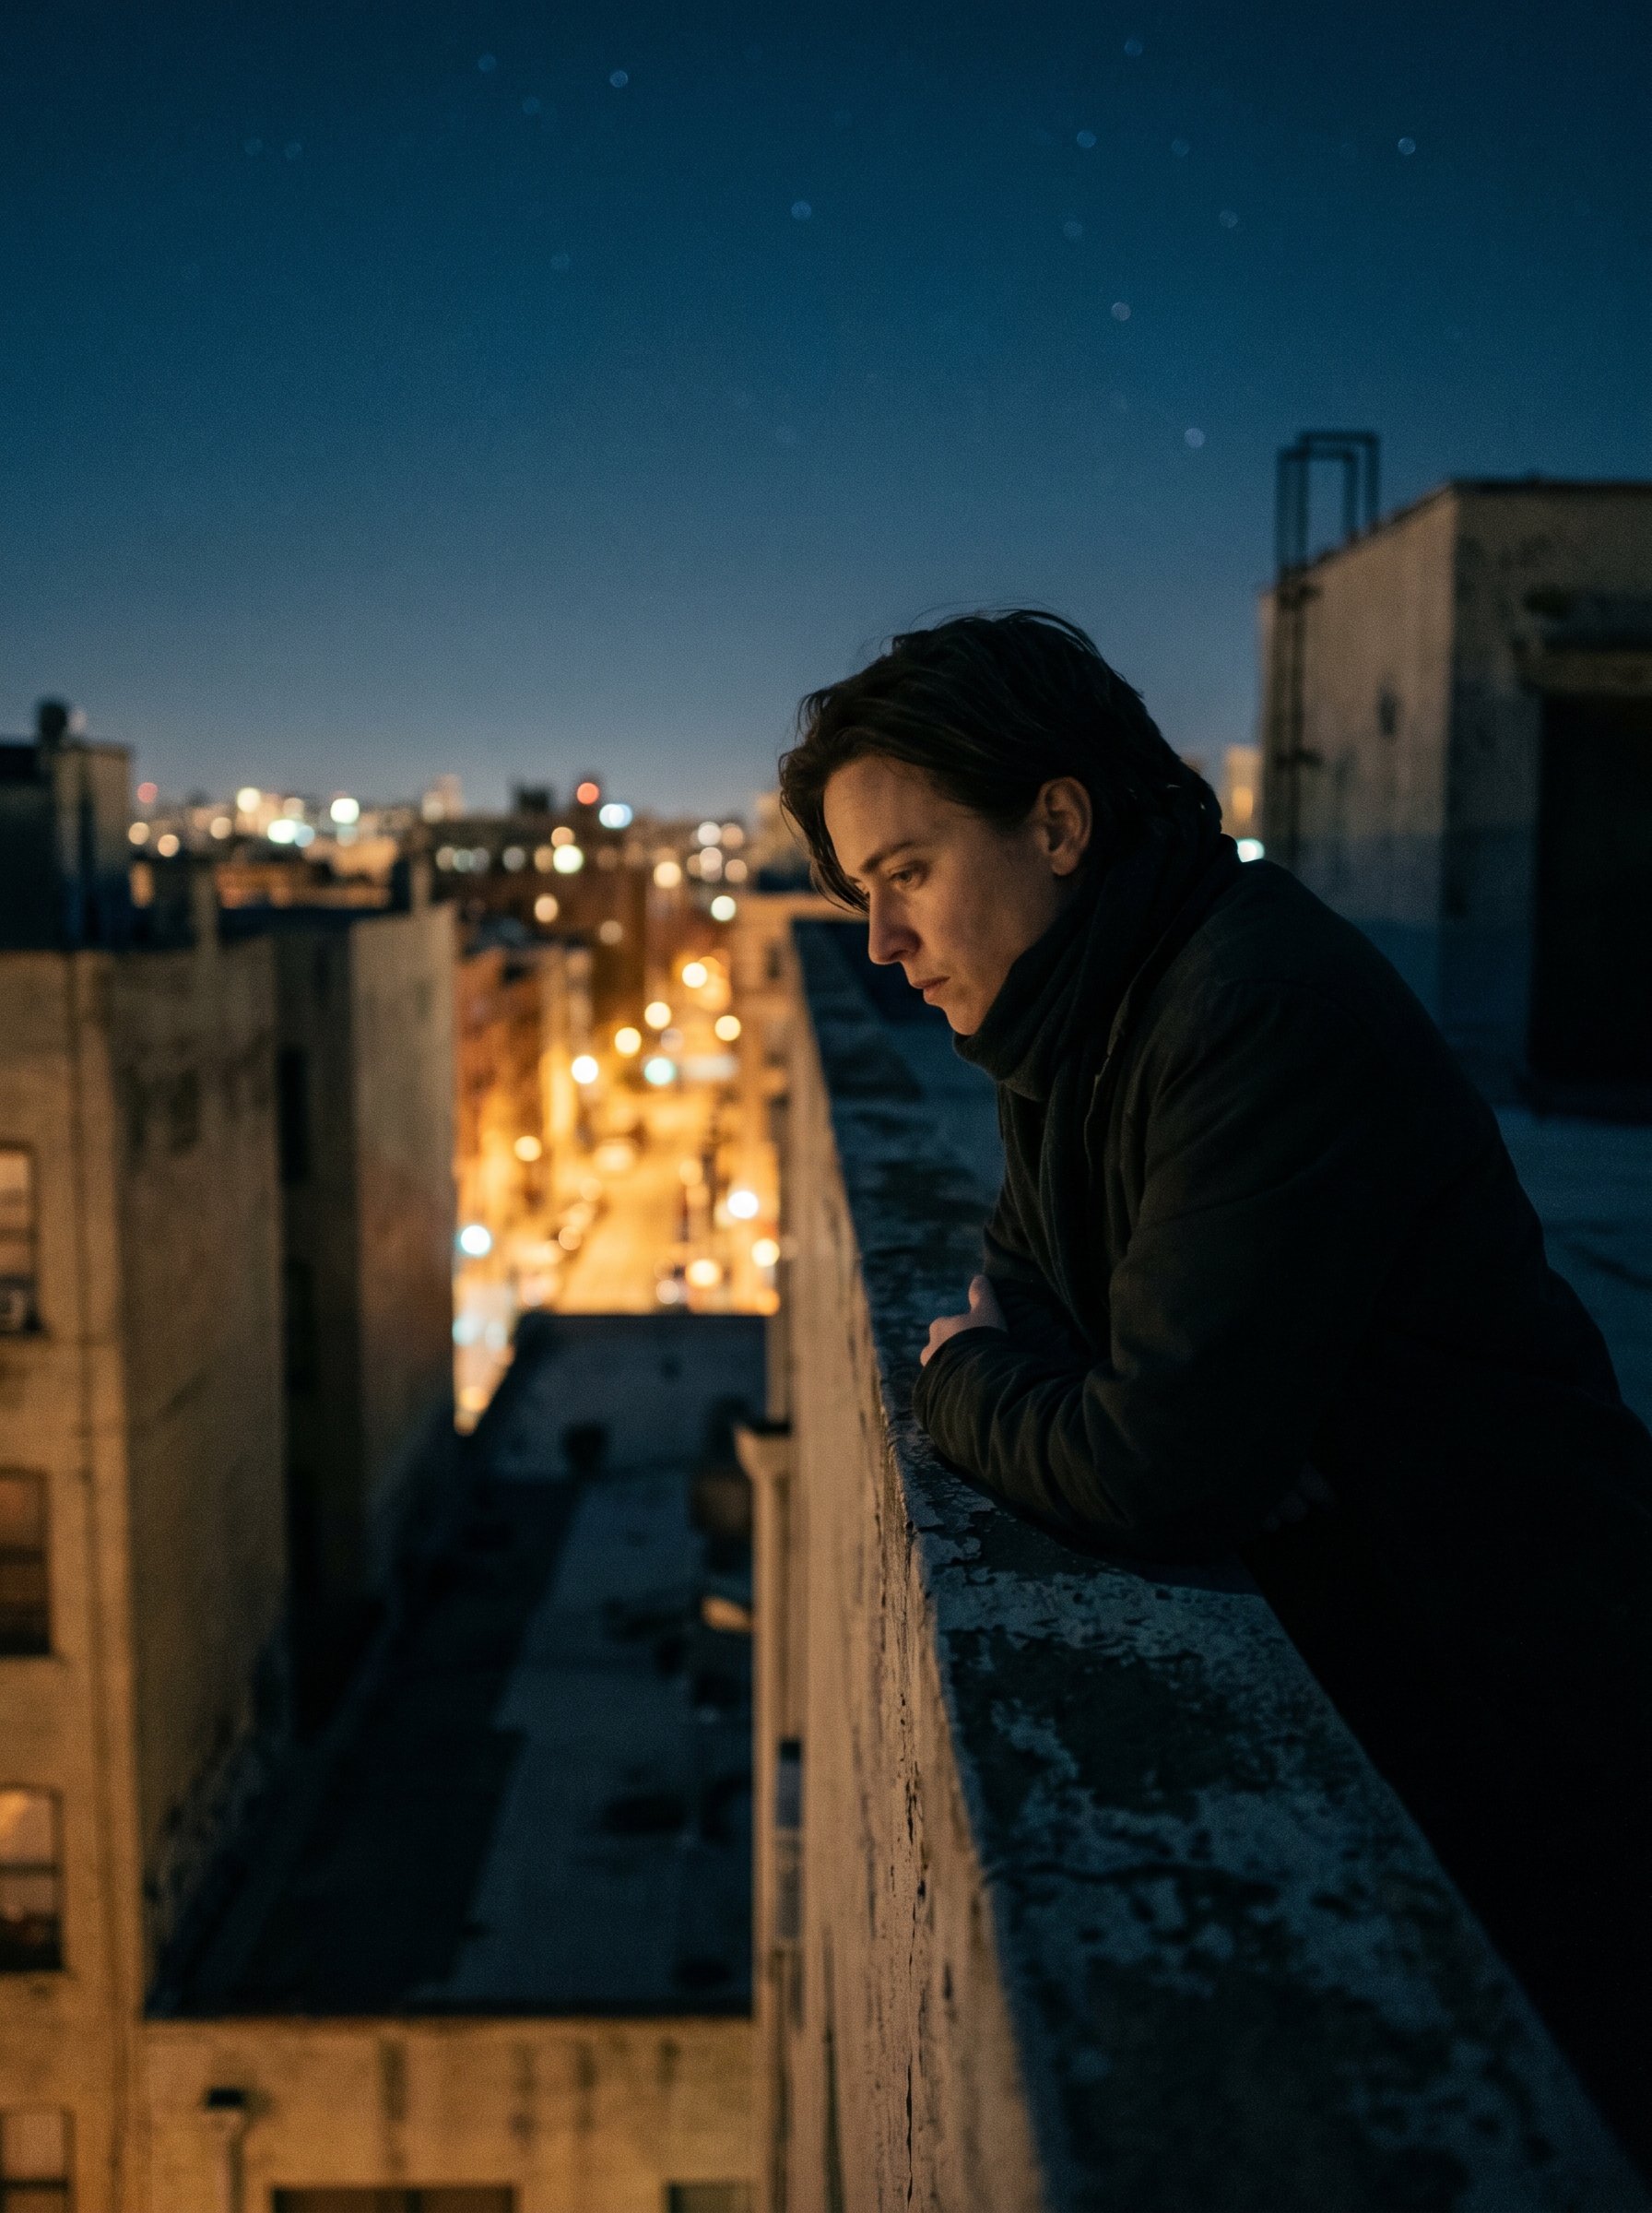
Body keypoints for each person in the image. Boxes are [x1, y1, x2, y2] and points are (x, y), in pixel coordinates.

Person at [778, 607, 1652, 2164]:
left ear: (1057, 824)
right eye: (862, 896)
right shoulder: (1078, 1015)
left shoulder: (1249, 1002)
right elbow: (1058, 1315)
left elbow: (1152, 1464)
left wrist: (967, 1384)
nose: (883, 947)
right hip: (1418, 1679)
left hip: (1541, 1720)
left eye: (906, 874)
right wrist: (1168, 1408)